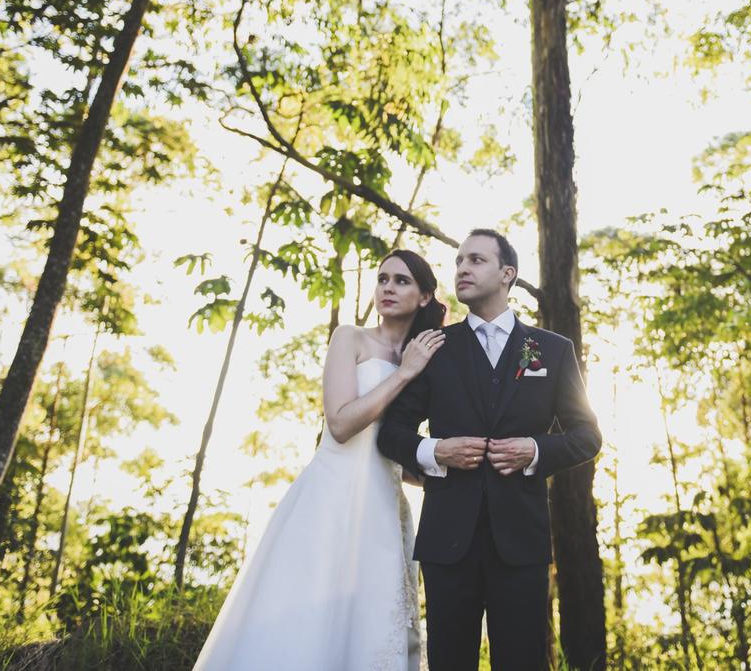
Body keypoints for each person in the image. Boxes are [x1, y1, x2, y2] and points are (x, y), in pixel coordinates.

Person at [192, 250, 447, 671]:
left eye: (401, 281)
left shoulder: (426, 354)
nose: (387, 287)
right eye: (383, 278)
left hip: (385, 506)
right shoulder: (351, 338)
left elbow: (397, 446)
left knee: (372, 620)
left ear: (424, 296)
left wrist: (444, 468)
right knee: (309, 618)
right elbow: (342, 424)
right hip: (331, 494)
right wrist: (404, 373)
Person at [378, 229, 602, 671]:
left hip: (521, 543)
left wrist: (533, 450)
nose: (462, 268)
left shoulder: (552, 351)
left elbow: (587, 435)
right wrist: (435, 451)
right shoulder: (433, 349)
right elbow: (392, 432)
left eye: (476, 260)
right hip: (447, 543)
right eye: (459, 261)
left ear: (507, 275)